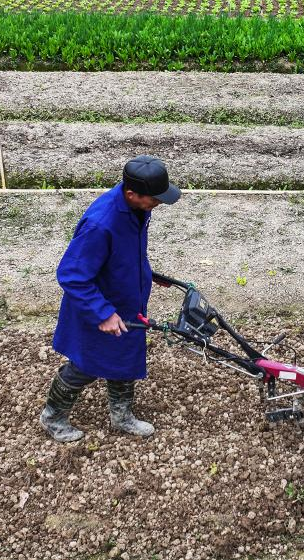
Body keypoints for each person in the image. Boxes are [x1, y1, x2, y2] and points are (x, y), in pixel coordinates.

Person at [40, 155, 181, 443]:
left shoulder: (136, 209)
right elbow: (72, 274)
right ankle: (52, 417)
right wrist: (103, 313)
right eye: (155, 198)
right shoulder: (101, 223)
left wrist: (146, 273)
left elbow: (120, 253)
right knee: (85, 365)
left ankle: (122, 416)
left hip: (127, 301)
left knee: (124, 357)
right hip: (97, 307)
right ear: (132, 193)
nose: (159, 203)